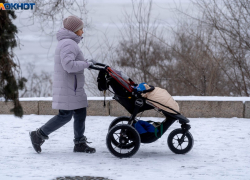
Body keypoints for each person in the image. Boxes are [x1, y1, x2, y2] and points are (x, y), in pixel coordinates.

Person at [29, 16, 96, 154]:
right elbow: (69, 65)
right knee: (65, 115)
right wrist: (87, 64)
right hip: (70, 87)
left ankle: (79, 143)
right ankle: (38, 135)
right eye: (80, 29)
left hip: (72, 86)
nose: (82, 32)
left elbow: (71, 61)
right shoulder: (69, 43)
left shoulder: (68, 42)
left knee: (80, 112)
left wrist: (86, 62)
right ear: (74, 30)